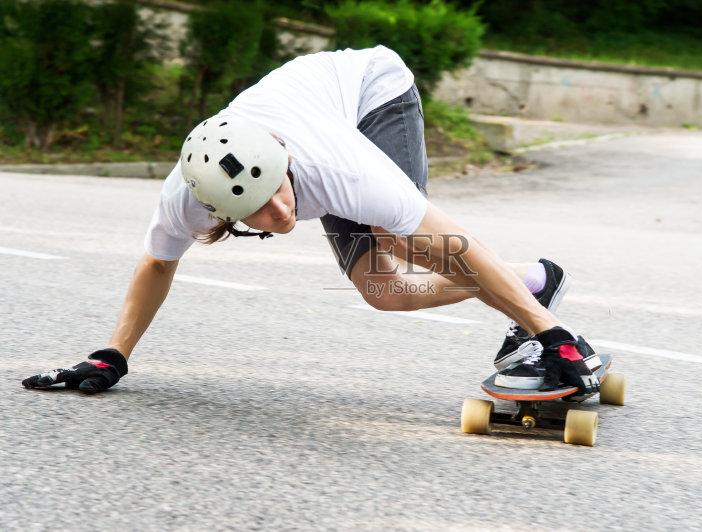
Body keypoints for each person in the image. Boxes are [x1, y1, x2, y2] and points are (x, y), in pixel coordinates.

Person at [21, 46, 600, 397]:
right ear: (220, 214)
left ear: (287, 165)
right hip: (315, 111)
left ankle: (543, 321)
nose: (281, 215)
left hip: (372, 94)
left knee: (400, 238)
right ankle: (533, 279)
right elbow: (156, 264)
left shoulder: (338, 167)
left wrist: (553, 339)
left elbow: (449, 241)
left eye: (281, 192)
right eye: (258, 213)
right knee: (382, 291)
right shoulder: (187, 197)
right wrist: (112, 356)